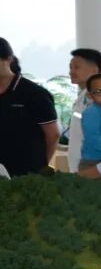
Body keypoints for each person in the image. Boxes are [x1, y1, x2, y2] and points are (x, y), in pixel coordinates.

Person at [0, 37, 59, 176]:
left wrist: (41, 165)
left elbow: (53, 135)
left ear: (9, 59)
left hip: (26, 173)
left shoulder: (34, 94)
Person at [65, 48, 101, 165]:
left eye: (77, 67)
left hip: (90, 164)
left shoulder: (97, 96)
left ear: (94, 70)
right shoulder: (83, 95)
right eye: (70, 67)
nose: (71, 72)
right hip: (79, 163)